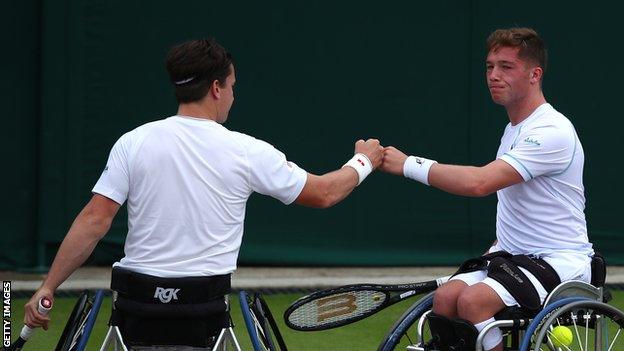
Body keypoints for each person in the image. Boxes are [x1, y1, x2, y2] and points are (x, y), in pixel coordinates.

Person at [23, 38, 383, 347]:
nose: (232, 95)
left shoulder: (132, 142)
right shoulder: (246, 150)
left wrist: (48, 287)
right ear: (216, 88)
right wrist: (364, 161)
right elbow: (324, 193)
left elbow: (95, 219)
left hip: (135, 309)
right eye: (232, 86)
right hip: (204, 311)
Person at [380, 27, 593, 350]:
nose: (494, 75)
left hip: (561, 261)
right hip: (514, 257)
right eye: (489, 66)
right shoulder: (514, 129)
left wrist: (408, 164)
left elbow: (480, 183)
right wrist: (495, 249)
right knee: (447, 297)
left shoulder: (552, 130)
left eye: (506, 67)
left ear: (535, 74)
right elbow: (518, 206)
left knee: (473, 302)